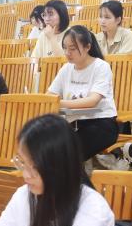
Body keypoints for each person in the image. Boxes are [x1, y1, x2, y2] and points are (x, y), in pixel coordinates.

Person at [47, 26, 119, 161]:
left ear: (87, 47)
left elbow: (92, 101)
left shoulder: (101, 66)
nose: (67, 53)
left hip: (101, 124)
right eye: (65, 48)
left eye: (72, 48)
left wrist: (59, 103)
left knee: (66, 155)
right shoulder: (66, 68)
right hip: (72, 123)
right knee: (47, 147)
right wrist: (51, 102)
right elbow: (50, 95)